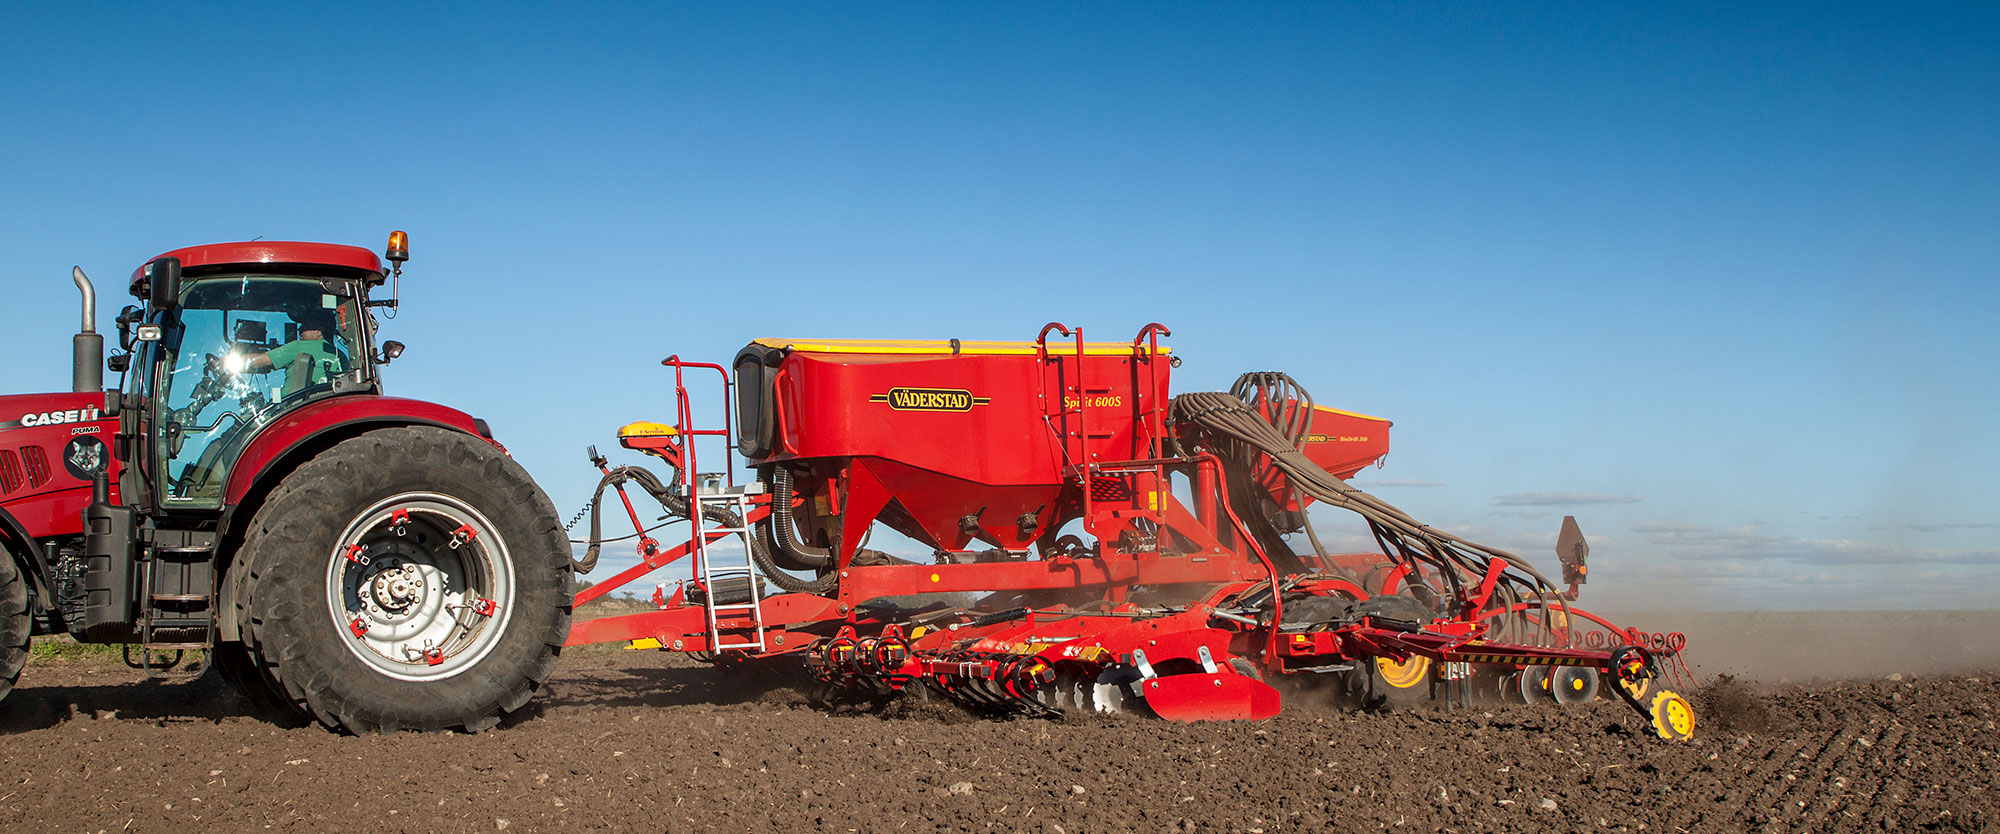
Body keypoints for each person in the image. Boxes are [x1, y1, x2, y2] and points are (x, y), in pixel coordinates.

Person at [243, 308, 346, 397]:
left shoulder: (300, 346)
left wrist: (229, 361)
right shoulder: (341, 356)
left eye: (305, 326)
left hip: (293, 408)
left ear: (319, 331)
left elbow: (262, 360)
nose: (299, 330)